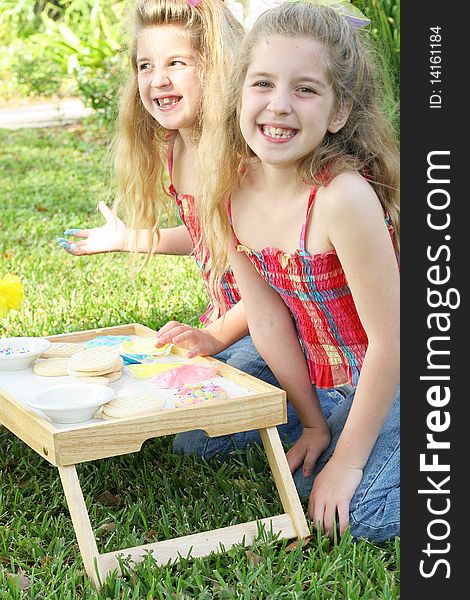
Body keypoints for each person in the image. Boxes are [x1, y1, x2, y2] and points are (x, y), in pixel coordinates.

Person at [57, 0, 343, 457]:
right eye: (145, 65)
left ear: (217, 69)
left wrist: (217, 337)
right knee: (174, 403)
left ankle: (333, 405)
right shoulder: (177, 148)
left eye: (177, 63)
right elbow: (207, 235)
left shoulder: (242, 161)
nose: (158, 80)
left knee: (200, 438)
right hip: (238, 319)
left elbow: (272, 286)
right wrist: (129, 238)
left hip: (286, 323)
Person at [198, 1, 400, 542]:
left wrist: (348, 462)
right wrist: (311, 421)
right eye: (262, 83)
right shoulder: (229, 190)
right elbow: (266, 322)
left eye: (306, 89)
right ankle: (330, 427)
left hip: (397, 372)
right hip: (319, 374)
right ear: (239, 94)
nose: (279, 106)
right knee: (200, 438)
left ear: (339, 112)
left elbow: (392, 341)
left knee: (359, 515)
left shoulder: (342, 196)